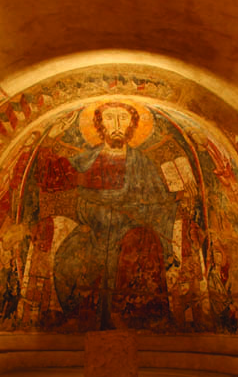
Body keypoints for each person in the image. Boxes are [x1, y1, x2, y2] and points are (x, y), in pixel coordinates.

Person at [36, 101, 176, 329]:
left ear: (132, 125)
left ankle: (131, 317)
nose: (117, 124)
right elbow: (53, 178)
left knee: (142, 243)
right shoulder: (87, 159)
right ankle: (82, 315)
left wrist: (173, 201)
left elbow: (159, 203)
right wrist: (50, 140)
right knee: (68, 257)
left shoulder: (143, 164)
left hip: (131, 229)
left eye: (123, 118)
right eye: (110, 118)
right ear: (101, 125)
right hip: (93, 228)